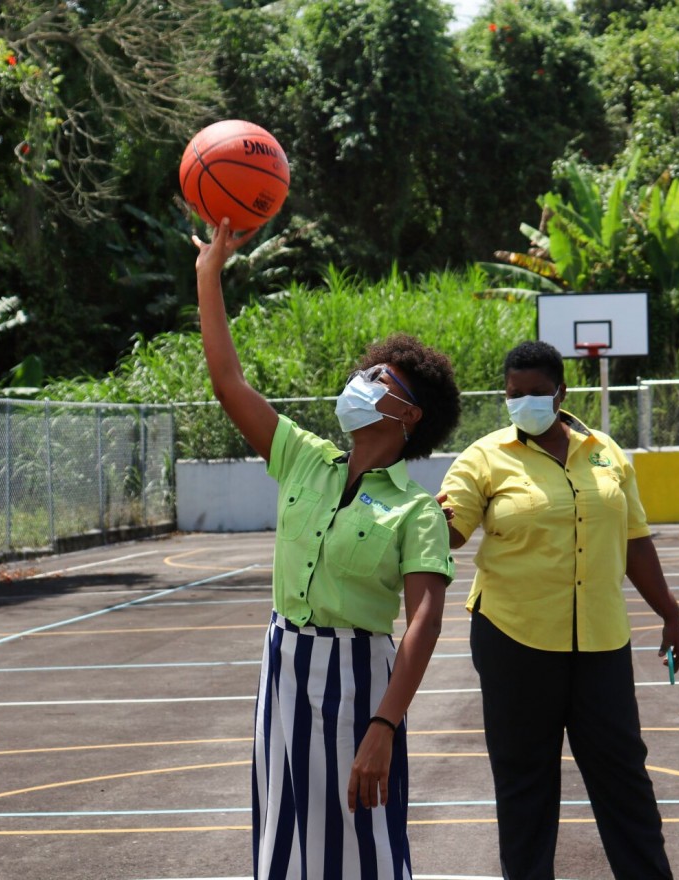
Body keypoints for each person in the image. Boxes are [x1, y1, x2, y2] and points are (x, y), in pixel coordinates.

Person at [193, 219, 461, 880]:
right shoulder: (306, 460)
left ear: (410, 415)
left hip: (358, 678)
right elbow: (228, 383)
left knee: (362, 843)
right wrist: (208, 273)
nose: (362, 380)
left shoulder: (414, 510)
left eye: (380, 377)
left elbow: (424, 622)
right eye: (366, 370)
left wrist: (385, 725)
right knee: (283, 838)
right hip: (283, 665)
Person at [438, 340, 679, 880]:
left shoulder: (606, 452)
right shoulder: (483, 458)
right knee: (525, 782)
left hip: (600, 641)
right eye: (513, 394)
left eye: (534, 392)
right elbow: (451, 531)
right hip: (513, 639)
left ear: (560, 392)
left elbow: (634, 540)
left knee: (624, 776)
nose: (523, 402)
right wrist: (433, 522)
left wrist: (669, 612)